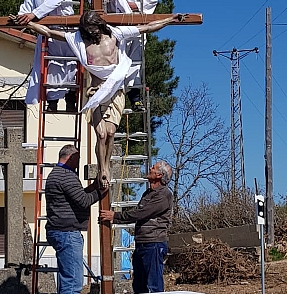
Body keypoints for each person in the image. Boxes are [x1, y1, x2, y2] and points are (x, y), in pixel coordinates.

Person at [27, 11, 186, 189]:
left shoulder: (115, 34)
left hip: (116, 90)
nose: (91, 32)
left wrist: (170, 20)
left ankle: (107, 164)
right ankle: (103, 169)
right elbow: (49, 33)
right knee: (101, 134)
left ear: (99, 25)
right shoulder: (79, 39)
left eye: (93, 28)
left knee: (110, 133)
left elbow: (147, 27)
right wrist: (27, 24)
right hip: (96, 92)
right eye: (87, 29)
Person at [91, 0, 159, 110]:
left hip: (134, 24)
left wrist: (130, 4)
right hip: (113, 26)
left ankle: (134, 96)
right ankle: (110, 96)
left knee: (134, 61)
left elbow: (151, 0)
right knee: (113, 61)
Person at [13, 0, 77, 112]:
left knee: (71, 66)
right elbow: (26, 7)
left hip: (66, 31)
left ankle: (70, 100)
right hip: (48, 34)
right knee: (52, 68)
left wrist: (33, 15)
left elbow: (52, 2)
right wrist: (20, 17)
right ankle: (53, 102)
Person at [99, 160, 173, 293]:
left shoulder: (163, 195)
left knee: (154, 285)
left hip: (153, 244)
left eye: (154, 167)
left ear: (159, 175)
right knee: (139, 285)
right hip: (142, 244)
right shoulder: (148, 193)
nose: (150, 168)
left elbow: (141, 213)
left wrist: (115, 216)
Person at [45, 144, 107, 294]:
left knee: (67, 279)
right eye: (77, 159)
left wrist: (93, 186)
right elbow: (84, 201)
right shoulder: (67, 176)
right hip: (67, 232)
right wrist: (101, 191)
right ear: (70, 158)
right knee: (73, 282)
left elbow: (76, 196)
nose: (78, 163)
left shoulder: (55, 174)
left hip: (58, 230)